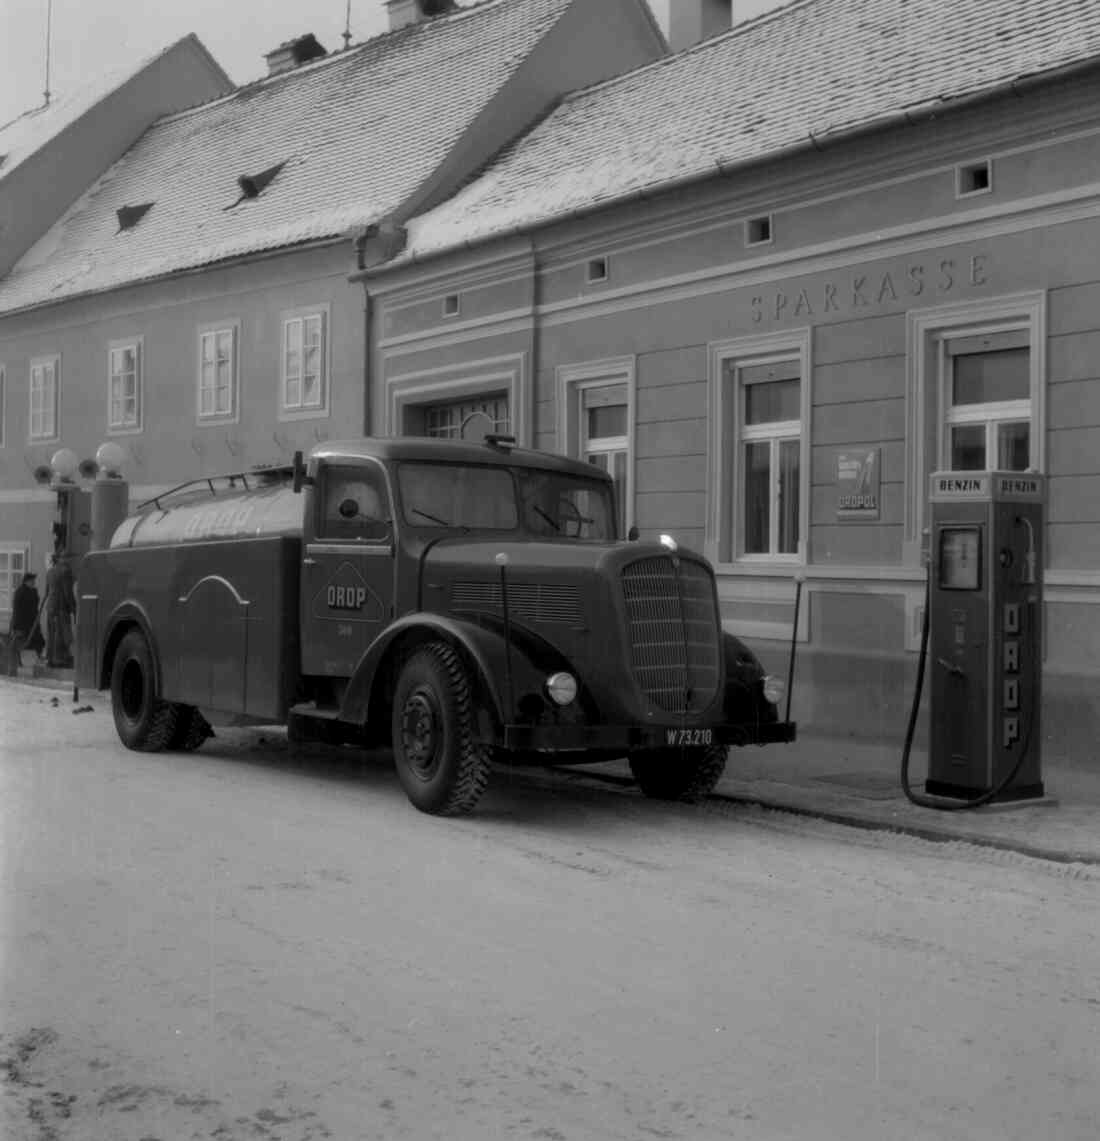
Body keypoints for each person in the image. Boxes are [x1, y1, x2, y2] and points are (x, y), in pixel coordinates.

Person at [8, 571, 45, 671]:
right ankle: (18, 665)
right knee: (21, 644)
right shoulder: (23, 592)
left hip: (30, 624)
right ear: (27, 581)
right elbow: (21, 610)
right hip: (24, 625)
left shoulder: (29, 591)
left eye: (34, 581)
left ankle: (30, 663)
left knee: (38, 643)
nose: (34, 583)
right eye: (32, 581)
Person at [45, 554, 75, 669]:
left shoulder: (50, 572)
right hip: (61, 607)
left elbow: (46, 592)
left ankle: (50, 659)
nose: (68, 560)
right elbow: (67, 592)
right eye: (67, 558)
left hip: (50, 607)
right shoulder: (65, 571)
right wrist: (73, 607)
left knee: (51, 633)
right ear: (60, 559)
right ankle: (60, 660)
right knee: (61, 634)